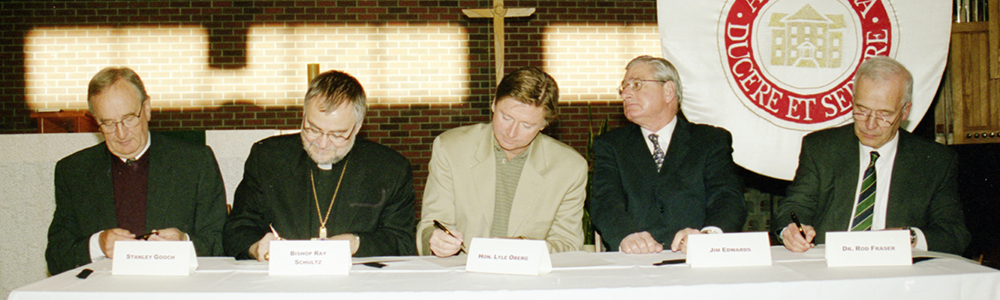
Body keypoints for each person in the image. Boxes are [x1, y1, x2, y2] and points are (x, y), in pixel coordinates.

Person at [774, 56, 970, 255]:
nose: (870, 124)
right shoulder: (821, 148)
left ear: (904, 112)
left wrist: (908, 237)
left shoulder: (936, 161)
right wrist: (790, 231)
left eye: (884, 114)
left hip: (898, 275)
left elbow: (954, 234)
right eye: (861, 110)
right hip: (829, 268)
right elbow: (795, 206)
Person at [45, 67, 227, 275]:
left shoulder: (195, 162)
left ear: (147, 108)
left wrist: (184, 244)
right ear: (96, 121)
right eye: (108, 123)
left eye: (129, 118)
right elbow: (56, 257)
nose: (121, 134)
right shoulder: (73, 171)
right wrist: (98, 244)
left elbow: (219, 242)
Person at [223, 70, 415, 260]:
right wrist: (256, 247)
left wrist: (356, 243)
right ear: (304, 115)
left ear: (357, 127)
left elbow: (402, 242)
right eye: (313, 129)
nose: (322, 144)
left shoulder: (391, 169)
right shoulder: (267, 157)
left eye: (337, 135)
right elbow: (238, 228)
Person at [417, 67, 587, 257]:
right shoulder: (451, 148)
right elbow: (432, 224)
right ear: (493, 104)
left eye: (526, 125)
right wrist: (435, 241)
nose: (511, 132)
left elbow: (568, 244)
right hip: (462, 274)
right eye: (506, 118)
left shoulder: (569, 168)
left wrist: (524, 248)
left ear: (544, 124)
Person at [590, 56, 747, 254]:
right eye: (624, 87)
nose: (626, 94)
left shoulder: (711, 140)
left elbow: (727, 197)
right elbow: (605, 201)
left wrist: (707, 237)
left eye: (636, 85)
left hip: (696, 258)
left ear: (668, 91)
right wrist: (626, 237)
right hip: (636, 261)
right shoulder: (610, 145)